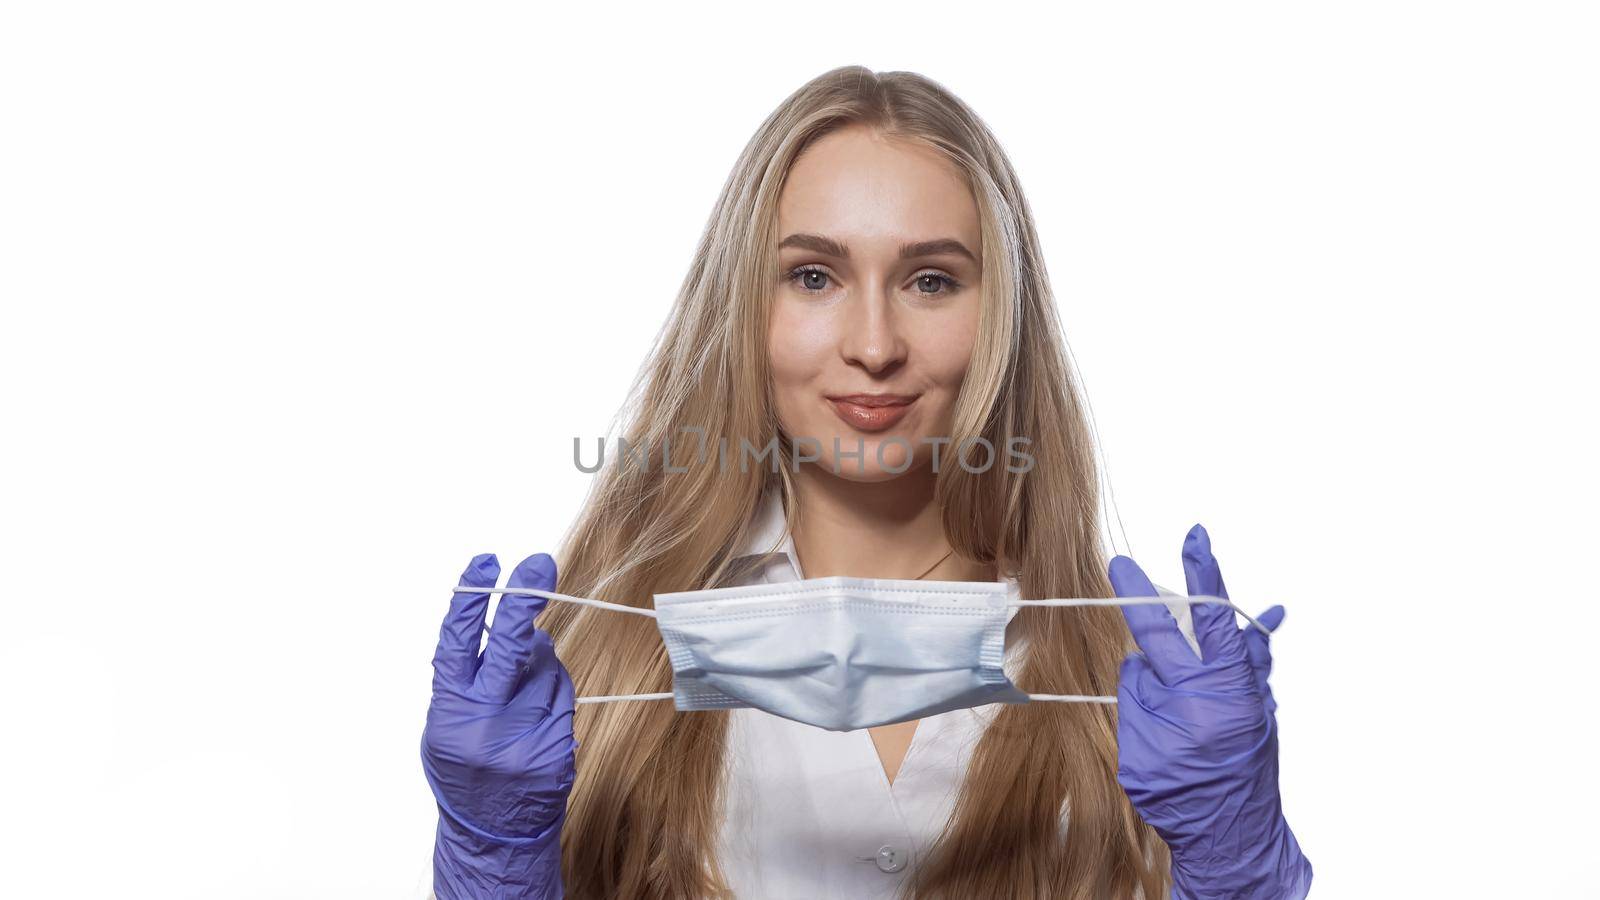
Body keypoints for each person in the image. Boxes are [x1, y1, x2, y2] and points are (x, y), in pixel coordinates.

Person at [421, 65, 1312, 899]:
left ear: (1000, 314)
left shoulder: (1160, 692)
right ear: (743, 308)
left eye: (931, 281)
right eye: (814, 277)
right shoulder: (594, 669)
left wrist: (1233, 862)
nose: (875, 346)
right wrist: (496, 858)